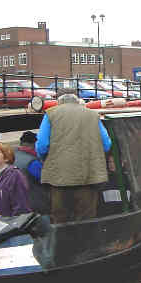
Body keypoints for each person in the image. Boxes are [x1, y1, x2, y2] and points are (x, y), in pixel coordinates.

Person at [36, 90, 112, 223]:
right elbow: (106, 144)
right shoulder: (93, 115)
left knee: (61, 219)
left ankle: (64, 243)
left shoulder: (50, 114)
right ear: (77, 99)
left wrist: (44, 159)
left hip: (59, 178)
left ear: (58, 100)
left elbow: (42, 145)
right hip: (88, 177)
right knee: (86, 220)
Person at [14, 131, 50, 214]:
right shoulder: (32, 162)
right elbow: (46, 180)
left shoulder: (11, 157)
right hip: (35, 207)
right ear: (34, 144)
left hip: (16, 206)